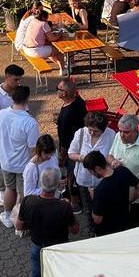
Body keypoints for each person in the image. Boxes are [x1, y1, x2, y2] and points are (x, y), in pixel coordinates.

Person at [16, 167, 78, 277]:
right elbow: (75, 230)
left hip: (38, 247)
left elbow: (19, 225)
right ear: (58, 185)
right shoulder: (63, 206)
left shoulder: (28, 201)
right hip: (58, 250)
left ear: (41, 184)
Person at [0, 85, 39, 229]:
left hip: (5, 162)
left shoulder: (0, 114)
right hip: (23, 164)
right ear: (27, 99)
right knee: (24, 193)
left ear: (12, 98)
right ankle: (24, 220)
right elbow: (33, 149)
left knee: (9, 188)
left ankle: (7, 216)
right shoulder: (30, 122)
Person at [68, 112, 116, 235]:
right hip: (84, 180)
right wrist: (83, 158)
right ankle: (92, 231)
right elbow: (71, 153)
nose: (92, 133)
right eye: (90, 130)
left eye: (96, 131)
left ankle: (105, 230)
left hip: (103, 180)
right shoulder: (80, 133)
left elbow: (114, 154)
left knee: (104, 207)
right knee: (88, 209)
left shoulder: (111, 135)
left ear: (103, 129)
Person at [0, 63, 26, 207]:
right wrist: (9, 124)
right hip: (2, 140)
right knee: (1, 164)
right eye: (16, 79)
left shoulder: (17, 92)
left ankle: (15, 190)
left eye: (20, 79)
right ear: (7, 77)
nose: (18, 83)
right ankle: (2, 190)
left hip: (18, 139)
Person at [83, 150, 139, 235]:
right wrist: (128, 201)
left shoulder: (100, 191)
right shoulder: (123, 171)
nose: (91, 174)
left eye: (91, 171)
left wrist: (94, 199)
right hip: (124, 223)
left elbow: (97, 219)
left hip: (108, 232)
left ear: (97, 168)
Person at [55, 78, 87, 213]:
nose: (57, 91)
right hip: (82, 143)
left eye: (59, 89)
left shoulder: (67, 115)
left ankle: (74, 203)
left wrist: (62, 156)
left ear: (65, 93)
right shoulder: (79, 102)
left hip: (70, 148)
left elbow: (64, 139)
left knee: (71, 175)